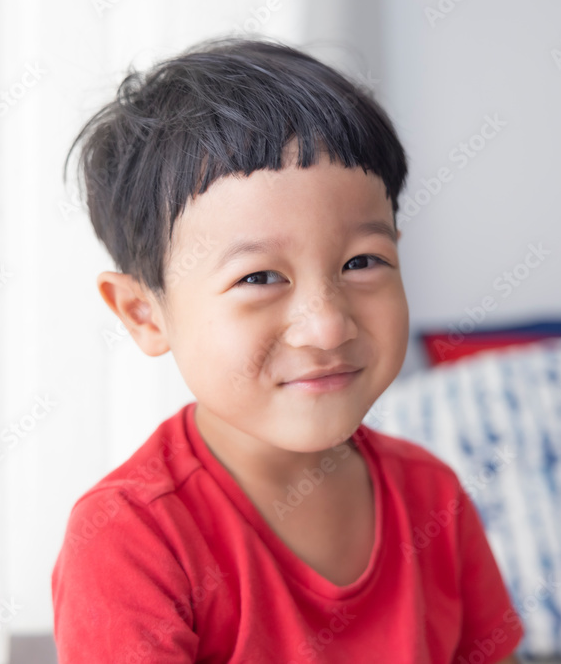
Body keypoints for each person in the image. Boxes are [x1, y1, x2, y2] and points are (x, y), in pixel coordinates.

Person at [51, 36, 525, 663]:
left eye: (362, 261)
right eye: (259, 277)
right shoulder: (129, 540)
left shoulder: (434, 498)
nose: (327, 326)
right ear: (145, 312)